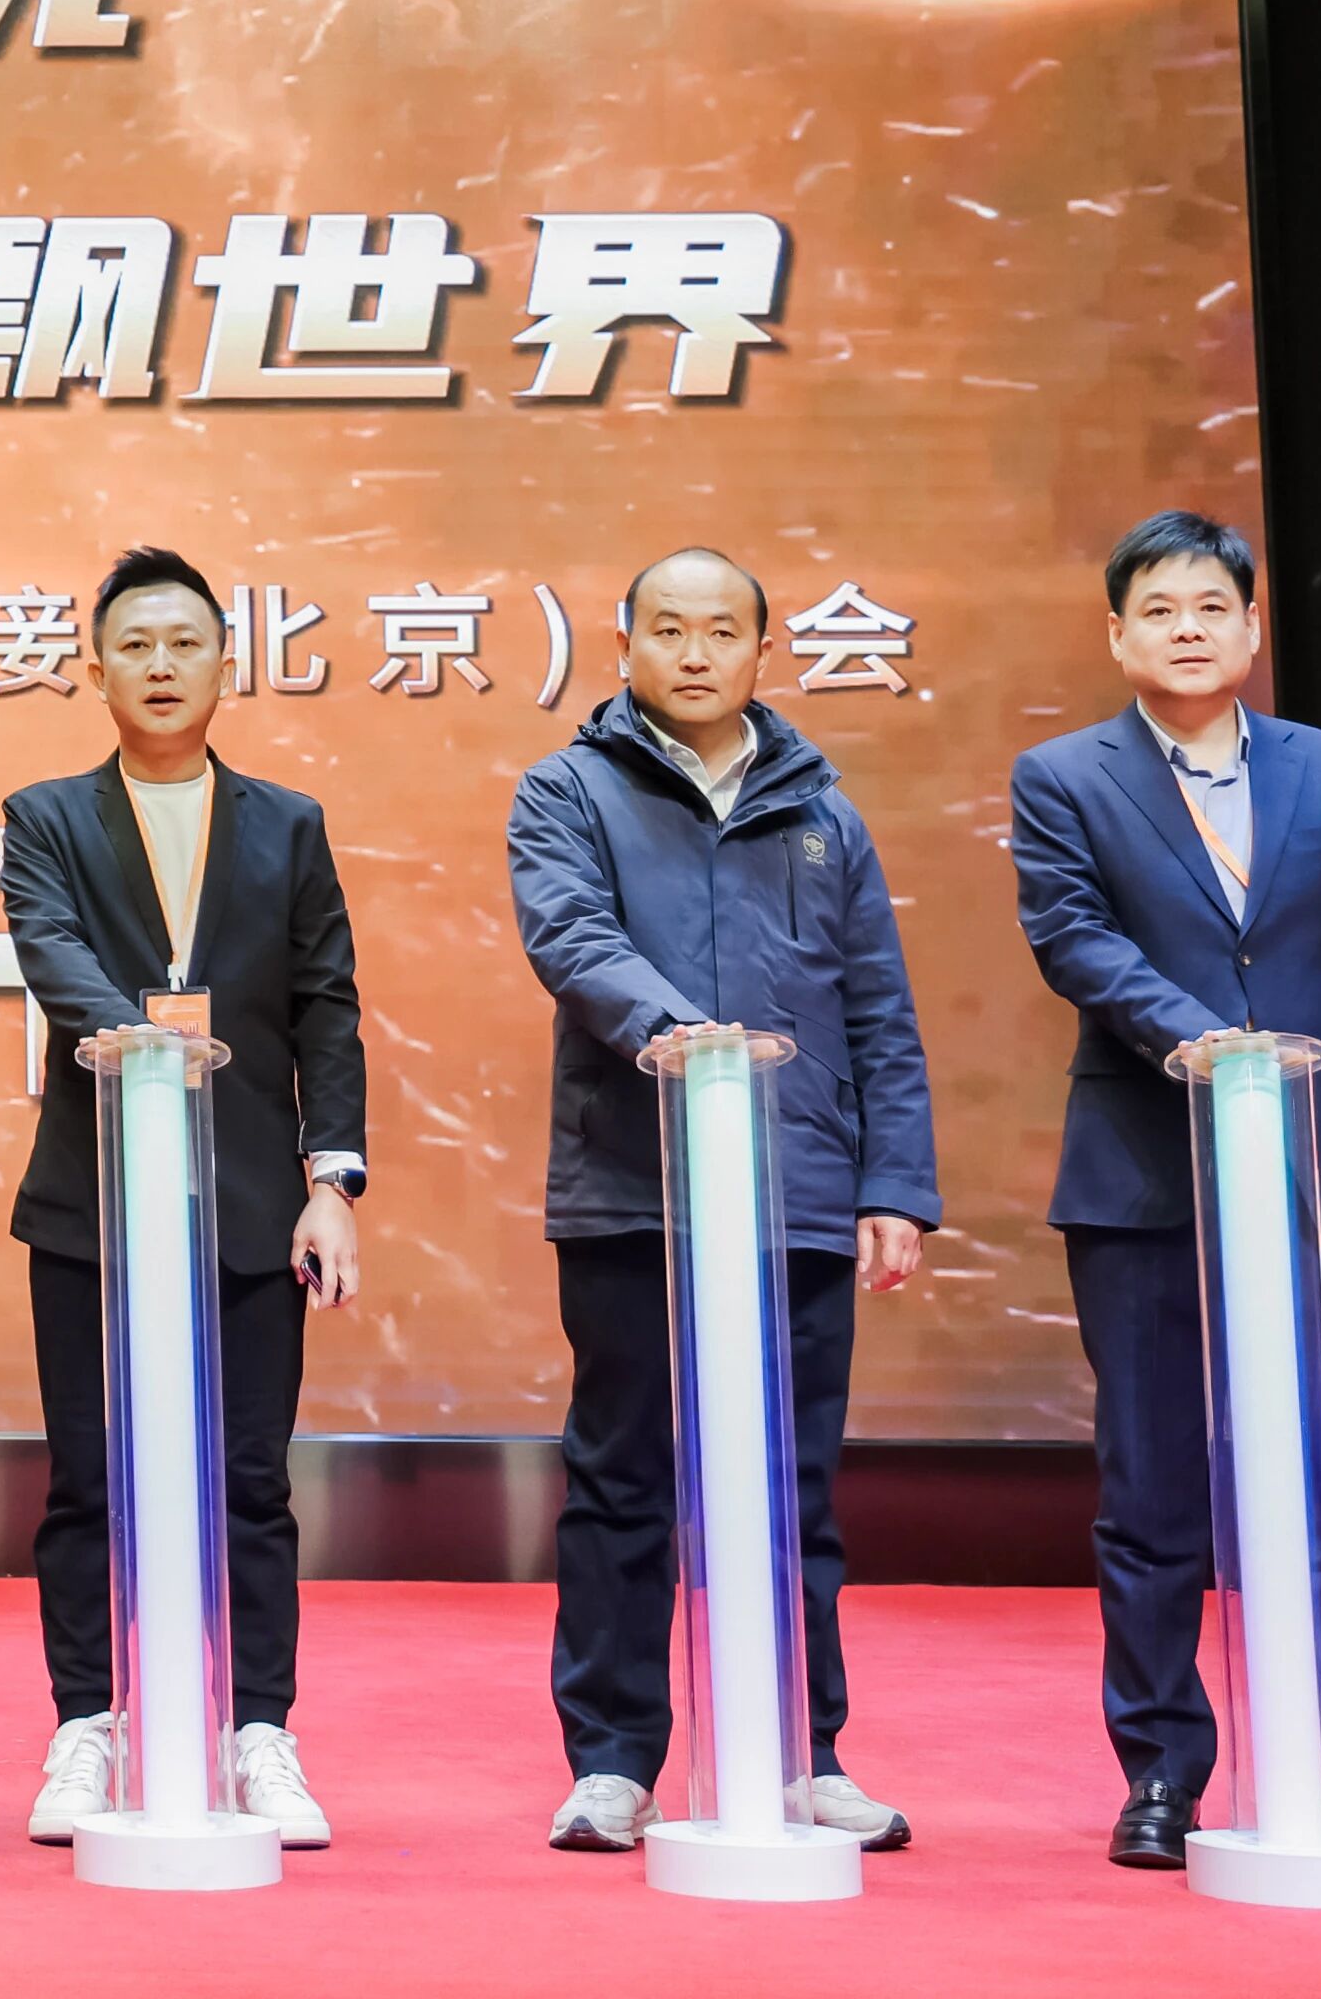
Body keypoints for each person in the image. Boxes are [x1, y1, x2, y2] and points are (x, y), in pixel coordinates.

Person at [1009, 510, 1321, 1876]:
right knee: (1152, 1493)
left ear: (1253, 627)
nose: (1188, 627)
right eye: (1159, 608)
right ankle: (1162, 1772)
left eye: (1212, 605)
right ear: (1117, 635)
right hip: (1142, 1179)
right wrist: (1201, 1038)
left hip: (1320, 1172)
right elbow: (1072, 936)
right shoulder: (1063, 776)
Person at [509, 547, 935, 1858]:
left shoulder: (824, 813)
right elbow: (571, 937)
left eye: (721, 631)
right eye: (668, 629)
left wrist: (894, 1181)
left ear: (762, 650)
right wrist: (685, 1037)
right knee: (622, 1480)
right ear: (623, 644)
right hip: (632, 1191)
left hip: (793, 1190)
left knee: (792, 1489)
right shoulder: (567, 788)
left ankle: (804, 1752)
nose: (694, 653)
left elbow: (877, 1005)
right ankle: (613, 1761)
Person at [1, 545, 371, 1850]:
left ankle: (256, 1728)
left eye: (184, 644)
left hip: (254, 1201)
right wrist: (138, 1041)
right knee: (89, 1481)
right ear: (95, 668)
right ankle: (86, 1725)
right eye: (136, 645)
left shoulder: (288, 823)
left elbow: (327, 1006)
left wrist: (334, 1181)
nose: (161, 667)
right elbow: (49, 947)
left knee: (251, 1480)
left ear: (226, 664)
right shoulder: (46, 816)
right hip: (90, 1203)